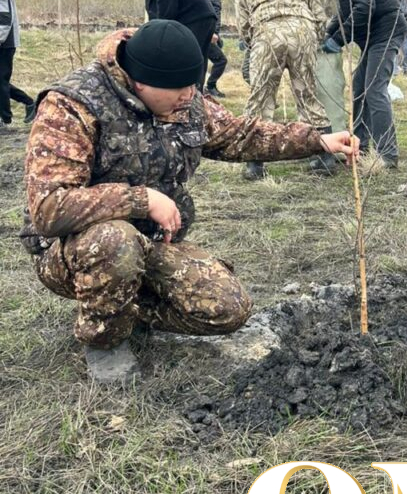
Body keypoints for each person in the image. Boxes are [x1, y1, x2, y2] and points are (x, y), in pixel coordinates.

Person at [21, 20, 357, 383]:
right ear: (141, 81)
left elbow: (238, 135)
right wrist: (141, 200)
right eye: (178, 88)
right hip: (74, 250)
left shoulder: (186, 100)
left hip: (150, 244)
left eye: (192, 86)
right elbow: (49, 207)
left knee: (228, 308)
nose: (188, 96)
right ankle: (105, 341)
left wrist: (317, 141)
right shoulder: (73, 104)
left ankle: (125, 307)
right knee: (114, 240)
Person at [233, 0, 336, 179]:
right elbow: (319, 13)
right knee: (307, 93)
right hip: (303, 30)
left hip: (267, 32)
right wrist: (315, 39)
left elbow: (243, 22)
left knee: (261, 96)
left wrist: (253, 42)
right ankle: (323, 157)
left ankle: (255, 163)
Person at [324, 0, 407, 168]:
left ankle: (387, 156)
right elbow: (351, 9)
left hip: (385, 31)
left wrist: (338, 39)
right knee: (359, 90)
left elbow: (363, 8)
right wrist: (331, 30)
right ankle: (359, 148)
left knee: (374, 89)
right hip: (374, 36)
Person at [0, 0, 36, 128]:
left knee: (0, 81)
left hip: (5, 44)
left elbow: (4, 20)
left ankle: (5, 121)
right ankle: (29, 103)